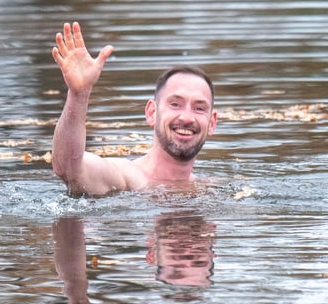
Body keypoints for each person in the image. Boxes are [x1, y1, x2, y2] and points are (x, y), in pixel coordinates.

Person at [51, 22, 218, 197]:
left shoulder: (209, 190)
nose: (186, 117)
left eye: (199, 108)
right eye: (175, 104)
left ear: (212, 123)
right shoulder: (123, 178)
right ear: (152, 112)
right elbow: (69, 168)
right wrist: (79, 94)